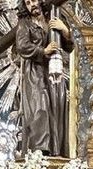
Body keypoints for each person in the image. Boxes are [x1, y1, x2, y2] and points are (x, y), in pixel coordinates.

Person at [15, 0, 73, 157]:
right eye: (27, 2)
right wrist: (43, 50)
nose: (32, 4)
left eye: (33, 0)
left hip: (54, 72)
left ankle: (56, 150)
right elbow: (22, 46)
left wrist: (65, 31)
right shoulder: (24, 23)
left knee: (57, 106)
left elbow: (69, 47)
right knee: (40, 107)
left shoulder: (52, 18)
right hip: (35, 73)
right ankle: (40, 152)